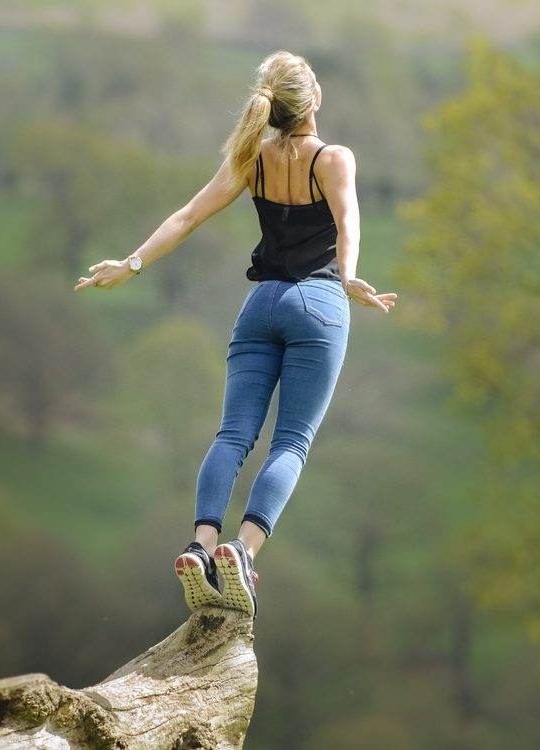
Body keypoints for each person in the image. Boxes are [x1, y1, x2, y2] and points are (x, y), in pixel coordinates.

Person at [74, 51, 396, 616]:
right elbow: (348, 220)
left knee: (232, 436)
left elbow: (187, 216)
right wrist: (347, 278)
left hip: (260, 307)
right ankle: (242, 553)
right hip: (317, 305)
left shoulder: (254, 159)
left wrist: (132, 265)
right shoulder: (334, 158)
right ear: (312, 100)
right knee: (291, 441)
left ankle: (199, 546)